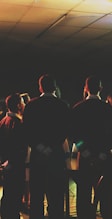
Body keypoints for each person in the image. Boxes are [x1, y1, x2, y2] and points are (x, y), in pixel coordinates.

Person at [23, 74, 70, 219]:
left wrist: (41, 147)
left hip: (38, 155)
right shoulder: (62, 105)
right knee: (56, 193)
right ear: (54, 87)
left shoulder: (31, 105)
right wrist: (52, 146)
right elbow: (65, 130)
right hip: (56, 153)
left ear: (40, 87)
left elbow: (27, 132)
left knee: (37, 194)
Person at [70, 75, 112, 219]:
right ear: (100, 89)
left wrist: (85, 152)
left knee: (84, 190)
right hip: (104, 155)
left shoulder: (77, 108)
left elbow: (74, 136)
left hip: (84, 156)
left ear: (86, 88)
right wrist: (103, 152)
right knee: (106, 193)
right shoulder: (109, 109)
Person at [0, 93, 28, 219]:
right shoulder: (18, 123)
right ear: (18, 105)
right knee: (15, 196)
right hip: (16, 165)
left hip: (5, 165)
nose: (24, 105)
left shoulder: (3, 122)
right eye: (22, 102)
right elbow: (20, 147)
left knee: (8, 194)